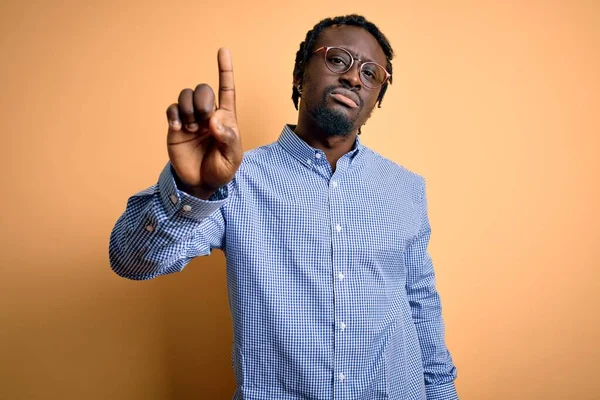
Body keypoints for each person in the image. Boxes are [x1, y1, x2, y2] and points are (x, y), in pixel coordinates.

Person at [109, 14, 458, 400]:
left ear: (377, 97)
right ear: (299, 74)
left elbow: (420, 302)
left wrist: (443, 393)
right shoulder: (236, 180)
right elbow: (129, 261)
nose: (354, 78)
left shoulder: (405, 188)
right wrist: (195, 190)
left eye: (371, 73)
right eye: (338, 59)